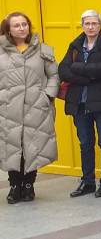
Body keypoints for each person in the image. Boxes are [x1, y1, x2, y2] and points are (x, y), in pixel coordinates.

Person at [59, 10, 101, 198]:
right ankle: (87, 181)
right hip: (80, 101)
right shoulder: (75, 45)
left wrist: (77, 69)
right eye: (87, 23)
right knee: (85, 143)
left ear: (100, 25)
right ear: (82, 25)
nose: (91, 27)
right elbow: (63, 69)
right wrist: (88, 76)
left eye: (94, 23)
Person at [1, 12, 58, 204]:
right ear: (8, 29)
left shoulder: (43, 50)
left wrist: (47, 95)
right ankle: (14, 186)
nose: (21, 28)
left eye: (24, 24)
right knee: (12, 147)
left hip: (36, 107)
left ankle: (29, 185)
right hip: (8, 109)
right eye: (16, 25)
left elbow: (54, 75)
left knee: (33, 147)